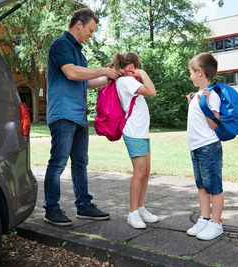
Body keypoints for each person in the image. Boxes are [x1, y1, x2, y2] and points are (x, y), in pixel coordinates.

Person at [44, 8, 123, 226]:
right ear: (79, 24)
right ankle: (51, 209)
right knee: (58, 163)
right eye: (90, 30)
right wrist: (102, 71)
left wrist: (109, 77)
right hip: (63, 114)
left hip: (78, 115)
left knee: (80, 163)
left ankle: (84, 206)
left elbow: (85, 82)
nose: (91, 35)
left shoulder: (80, 53)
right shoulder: (61, 44)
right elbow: (71, 73)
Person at [108, 52, 158, 229]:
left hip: (141, 132)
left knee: (145, 172)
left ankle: (140, 207)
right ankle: (132, 212)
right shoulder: (127, 81)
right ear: (128, 67)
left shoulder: (127, 81)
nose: (133, 69)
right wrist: (142, 73)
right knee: (140, 172)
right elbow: (152, 92)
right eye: (132, 66)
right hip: (134, 132)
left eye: (135, 66)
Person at [185, 52, 224, 240]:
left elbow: (214, 124)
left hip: (209, 148)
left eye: (191, 73)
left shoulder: (211, 95)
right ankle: (204, 218)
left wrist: (205, 104)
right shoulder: (199, 95)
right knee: (201, 186)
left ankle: (216, 223)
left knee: (214, 187)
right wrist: (194, 103)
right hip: (197, 148)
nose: (190, 76)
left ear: (199, 72)